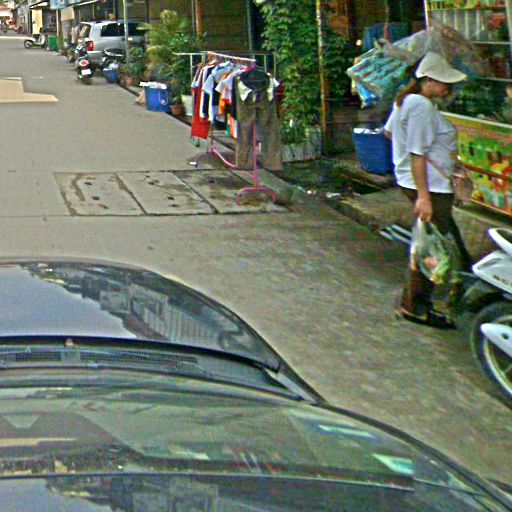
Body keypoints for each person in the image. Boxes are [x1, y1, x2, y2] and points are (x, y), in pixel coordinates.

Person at [384, 51, 473, 328]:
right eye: (445, 83)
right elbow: (417, 154)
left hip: (417, 182)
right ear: (429, 81)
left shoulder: (405, 101)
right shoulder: (421, 106)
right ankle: (416, 306)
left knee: (429, 243)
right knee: (433, 249)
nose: (449, 88)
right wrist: (423, 197)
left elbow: (390, 133)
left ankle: (415, 302)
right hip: (429, 187)